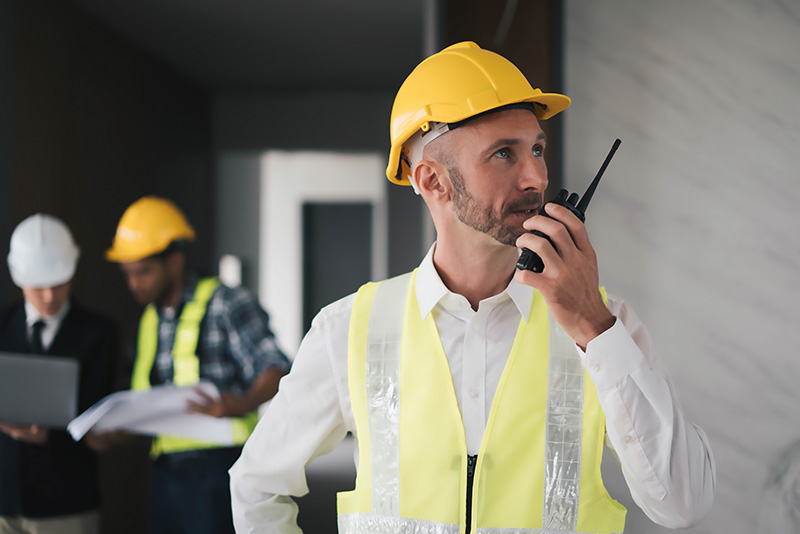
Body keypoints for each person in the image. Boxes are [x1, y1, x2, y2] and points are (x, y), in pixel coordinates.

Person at [230, 41, 716, 533]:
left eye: (538, 149)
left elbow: (684, 504)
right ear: (433, 181)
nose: (537, 176)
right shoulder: (350, 331)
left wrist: (593, 326)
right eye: (504, 153)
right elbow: (256, 486)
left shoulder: (603, 323)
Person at [104, 196, 290, 534]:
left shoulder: (226, 302)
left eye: (143, 271)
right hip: (166, 473)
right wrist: (114, 431)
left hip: (219, 470)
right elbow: (145, 402)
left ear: (174, 262)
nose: (134, 284)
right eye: (128, 274)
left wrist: (243, 402)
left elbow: (276, 367)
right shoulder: (149, 321)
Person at [0, 213, 117, 534]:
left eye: (59, 283)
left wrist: (55, 434)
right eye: (38, 287)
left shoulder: (100, 332)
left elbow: (101, 415)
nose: (49, 297)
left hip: (66, 501)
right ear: (19, 278)